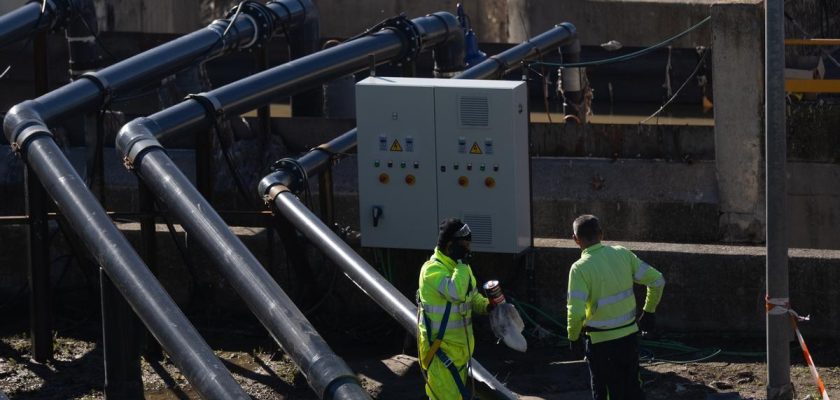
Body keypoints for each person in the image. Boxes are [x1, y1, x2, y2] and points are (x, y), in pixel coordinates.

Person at [566, 214, 665, 400]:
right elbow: (657, 281)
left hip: (600, 344)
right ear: (601, 234)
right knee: (632, 387)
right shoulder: (622, 254)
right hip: (629, 338)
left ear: (575, 239)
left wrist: (573, 337)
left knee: (606, 392)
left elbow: (576, 311)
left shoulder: (579, 269)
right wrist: (649, 311)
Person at [417, 218, 490, 400]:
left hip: (460, 353)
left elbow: (471, 296)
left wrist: (489, 306)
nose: (468, 250)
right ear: (451, 246)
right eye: (464, 246)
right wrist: (462, 264)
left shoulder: (460, 268)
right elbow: (456, 292)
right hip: (441, 354)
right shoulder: (432, 270)